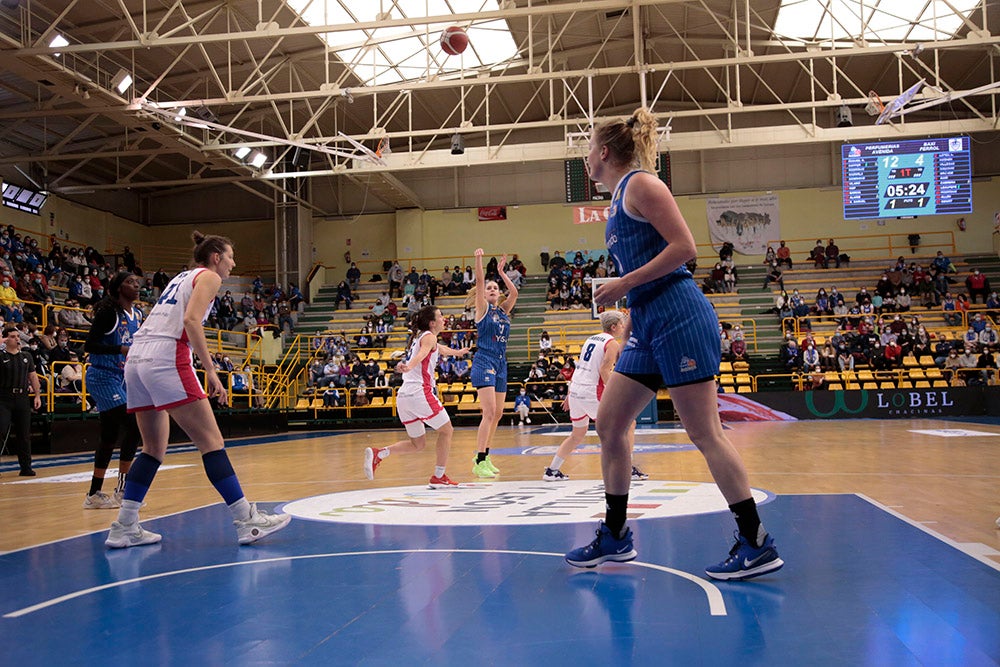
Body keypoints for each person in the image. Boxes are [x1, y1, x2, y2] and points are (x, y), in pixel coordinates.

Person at [564, 108, 783, 581]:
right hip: (646, 323)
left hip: (680, 316)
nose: (584, 159)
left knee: (704, 433)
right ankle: (617, 534)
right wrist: (628, 291)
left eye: (587, 150)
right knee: (609, 423)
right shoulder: (621, 195)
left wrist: (624, 284)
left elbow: (685, 248)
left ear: (604, 153)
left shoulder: (643, 184)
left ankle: (755, 541)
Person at [105, 232, 290, 549]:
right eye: (231, 257)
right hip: (167, 356)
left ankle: (125, 526)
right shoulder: (209, 277)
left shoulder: (181, 277)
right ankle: (246, 520)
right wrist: (211, 370)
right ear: (216, 256)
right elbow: (191, 321)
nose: (233, 264)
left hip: (137, 359)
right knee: (212, 442)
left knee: (152, 449)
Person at [364, 305, 470, 489]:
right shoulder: (429, 336)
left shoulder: (422, 337)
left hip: (404, 396)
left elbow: (439, 349)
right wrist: (410, 365)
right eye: (441, 316)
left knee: (418, 444)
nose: (444, 319)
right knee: (447, 430)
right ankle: (439, 476)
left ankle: (379, 454)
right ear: (432, 322)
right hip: (419, 392)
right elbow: (422, 355)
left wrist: (458, 353)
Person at [543, 310, 646, 482]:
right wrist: (619, 393)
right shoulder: (611, 343)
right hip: (592, 392)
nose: (623, 327)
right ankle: (626, 469)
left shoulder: (591, 338)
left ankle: (552, 470)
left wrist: (570, 393)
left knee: (577, 434)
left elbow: (581, 367)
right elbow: (604, 370)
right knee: (628, 425)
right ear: (613, 327)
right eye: (621, 324)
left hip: (576, 390)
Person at [82, 272, 145, 509]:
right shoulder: (109, 313)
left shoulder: (137, 314)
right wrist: (121, 348)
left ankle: (94, 494)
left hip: (122, 376)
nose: (135, 285)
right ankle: (123, 489)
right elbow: (90, 345)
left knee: (109, 437)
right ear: (118, 288)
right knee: (133, 425)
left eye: (137, 282)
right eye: (129, 282)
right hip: (102, 375)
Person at [470, 248, 519, 478]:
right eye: (489, 288)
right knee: (488, 412)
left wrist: (502, 272)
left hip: (501, 363)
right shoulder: (483, 309)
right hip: (484, 361)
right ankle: (478, 459)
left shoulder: (503, 311)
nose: (491, 290)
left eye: (495, 288)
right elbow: (479, 281)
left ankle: (486, 455)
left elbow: (515, 293)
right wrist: (479, 259)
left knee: (498, 413)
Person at [0, 327, 42, 476]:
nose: (17, 339)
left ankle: (26, 467)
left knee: (24, 434)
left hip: (22, 397)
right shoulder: (1, 355)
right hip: (4, 397)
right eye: (12, 336)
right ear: (5, 339)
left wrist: (37, 395)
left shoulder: (26, 356)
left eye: (18, 336)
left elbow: (33, 377)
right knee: (1, 430)